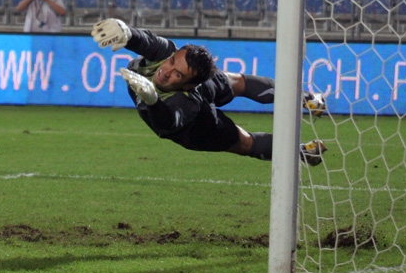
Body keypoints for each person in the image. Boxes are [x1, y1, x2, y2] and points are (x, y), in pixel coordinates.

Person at [91, 18, 327, 164]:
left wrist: (151, 99)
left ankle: (307, 100)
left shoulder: (188, 100)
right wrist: (126, 31)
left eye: (178, 74)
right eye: (172, 63)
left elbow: (169, 115)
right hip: (194, 128)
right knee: (244, 142)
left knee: (237, 82)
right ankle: (301, 153)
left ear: (189, 83)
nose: (166, 71)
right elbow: (168, 124)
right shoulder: (166, 54)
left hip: (189, 103)